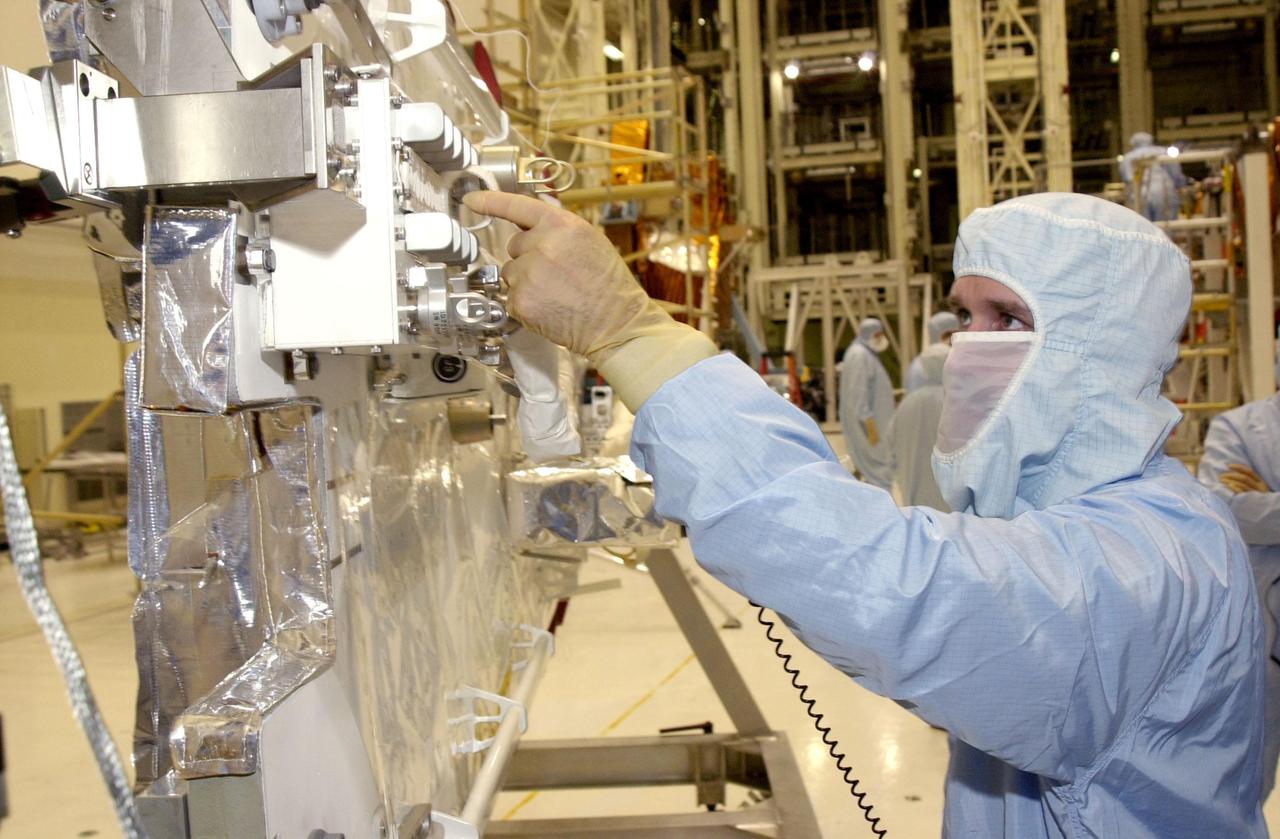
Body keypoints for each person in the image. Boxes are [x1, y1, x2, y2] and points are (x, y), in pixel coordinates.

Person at [465, 188, 1264, 836]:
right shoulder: (1080, 520)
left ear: (1103, 351)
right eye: (966, 316)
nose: (965, 346)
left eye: (1010, 320)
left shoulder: (1155, 556)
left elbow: (902, 589)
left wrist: (633, 336)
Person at [1198, 343, 1280, 797]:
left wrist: (1266, 499)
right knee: (1243, 785)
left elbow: (1252, 512)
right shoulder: (1241, 426)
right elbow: (1227, 509)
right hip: (1259, 638)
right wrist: (1247, 507)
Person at [888, 342, 949, 509]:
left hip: (913, 494)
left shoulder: (907, 403)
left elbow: (891, 445)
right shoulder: (955, 401)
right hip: (950, 501)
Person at [838, 318, 895, 489]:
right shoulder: (859, 355)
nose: (881, 338)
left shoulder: (866, 354)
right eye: (877, 334)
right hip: (870, 431)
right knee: (878, 475)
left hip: (874, 428)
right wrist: (871, 429)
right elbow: (858, 396)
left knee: (879, 475)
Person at [1120, 131, 1186, 222]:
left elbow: (1127, 178)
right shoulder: (1164, 152)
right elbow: (1175, 174)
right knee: (1165, 227)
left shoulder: (1127, 158)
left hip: (1138, 194)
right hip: (1163, 191)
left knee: (1143, 228)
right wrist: (1182, 184)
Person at [904, 310, 958, 393]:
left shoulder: (962, 362)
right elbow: (914, 398)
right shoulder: (919, 366)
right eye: (947, 335)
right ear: (935, 335)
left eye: (956, 334)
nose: (952, 339)